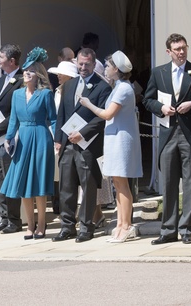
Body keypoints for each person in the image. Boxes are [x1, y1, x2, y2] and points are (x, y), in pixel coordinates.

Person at [143, 33, 191, 245]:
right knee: (169, 183)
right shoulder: (158, 72)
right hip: (168, 133)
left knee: (189, 183)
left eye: (184, 48)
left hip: (189, 134)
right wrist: (161, 108)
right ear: (168, 52)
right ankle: (168, 230)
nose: (181, 52)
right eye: (177, 49)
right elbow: (147, 100)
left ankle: (187, 229)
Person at [80, 51, 143, 243]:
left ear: (116, 69)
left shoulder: (124, 88)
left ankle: (126, 225)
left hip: (121, 140)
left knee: (122, 184)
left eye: (108, 66)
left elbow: (108, 114)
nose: (106, 69)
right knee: (117, 183)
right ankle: (120, 224)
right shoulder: (118, 87)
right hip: (114, 138)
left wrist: (89, 104)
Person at [53, 48, 112, 243]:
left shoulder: (103, 87)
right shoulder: (69, 85)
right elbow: (61, 114)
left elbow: (102, 117)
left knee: (88, 188)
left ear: (94, 64)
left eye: (87, 64)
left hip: (88, 145)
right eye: (80, 63)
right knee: (66, 187)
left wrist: (83, 133)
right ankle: (67, 226)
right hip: (67, 144)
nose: (83, 67)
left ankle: (86, 227)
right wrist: (58, 139)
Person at [1, 47, 57, 240]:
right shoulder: (17, 94)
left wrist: (58, 140)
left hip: (41, 138)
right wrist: (8, 138)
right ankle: (30, 225)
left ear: (38, 75)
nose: (26, 73)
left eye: (31, 71)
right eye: (25, 70)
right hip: (23, 140)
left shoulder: (46, 94)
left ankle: (41, 224)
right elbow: (13, 120)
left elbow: (54, 119)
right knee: (23, 184)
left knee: (39, 184)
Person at [0, 44, 24, 234]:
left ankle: (15, 220)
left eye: (1, 57)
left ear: (12, 61)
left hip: (10, 137)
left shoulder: (21, 80)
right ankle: (4, 217)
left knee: (10, 178)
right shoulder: (2, 79)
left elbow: (16, 112)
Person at [47, 60, 78, 214]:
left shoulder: (74, 91)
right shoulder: (58, 91)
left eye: (62, 73)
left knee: (70, 177)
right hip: (57, 136)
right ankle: (58, 206)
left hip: (72, 137)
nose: (58, 76)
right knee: (58, 174)